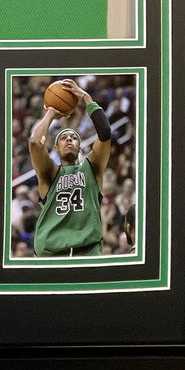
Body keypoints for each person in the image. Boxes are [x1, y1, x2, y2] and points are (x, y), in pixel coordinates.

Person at [28, 78, 113, 257]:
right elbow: (35, 142)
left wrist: (87, 98)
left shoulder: (92, 168)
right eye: (63, 137)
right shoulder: (50, 173)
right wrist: (51, 112)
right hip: (52, 254)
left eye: (74, 138)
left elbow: (105, 132)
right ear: (55, 148)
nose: (69, 139)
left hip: (86, 253)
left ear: (80, 147)